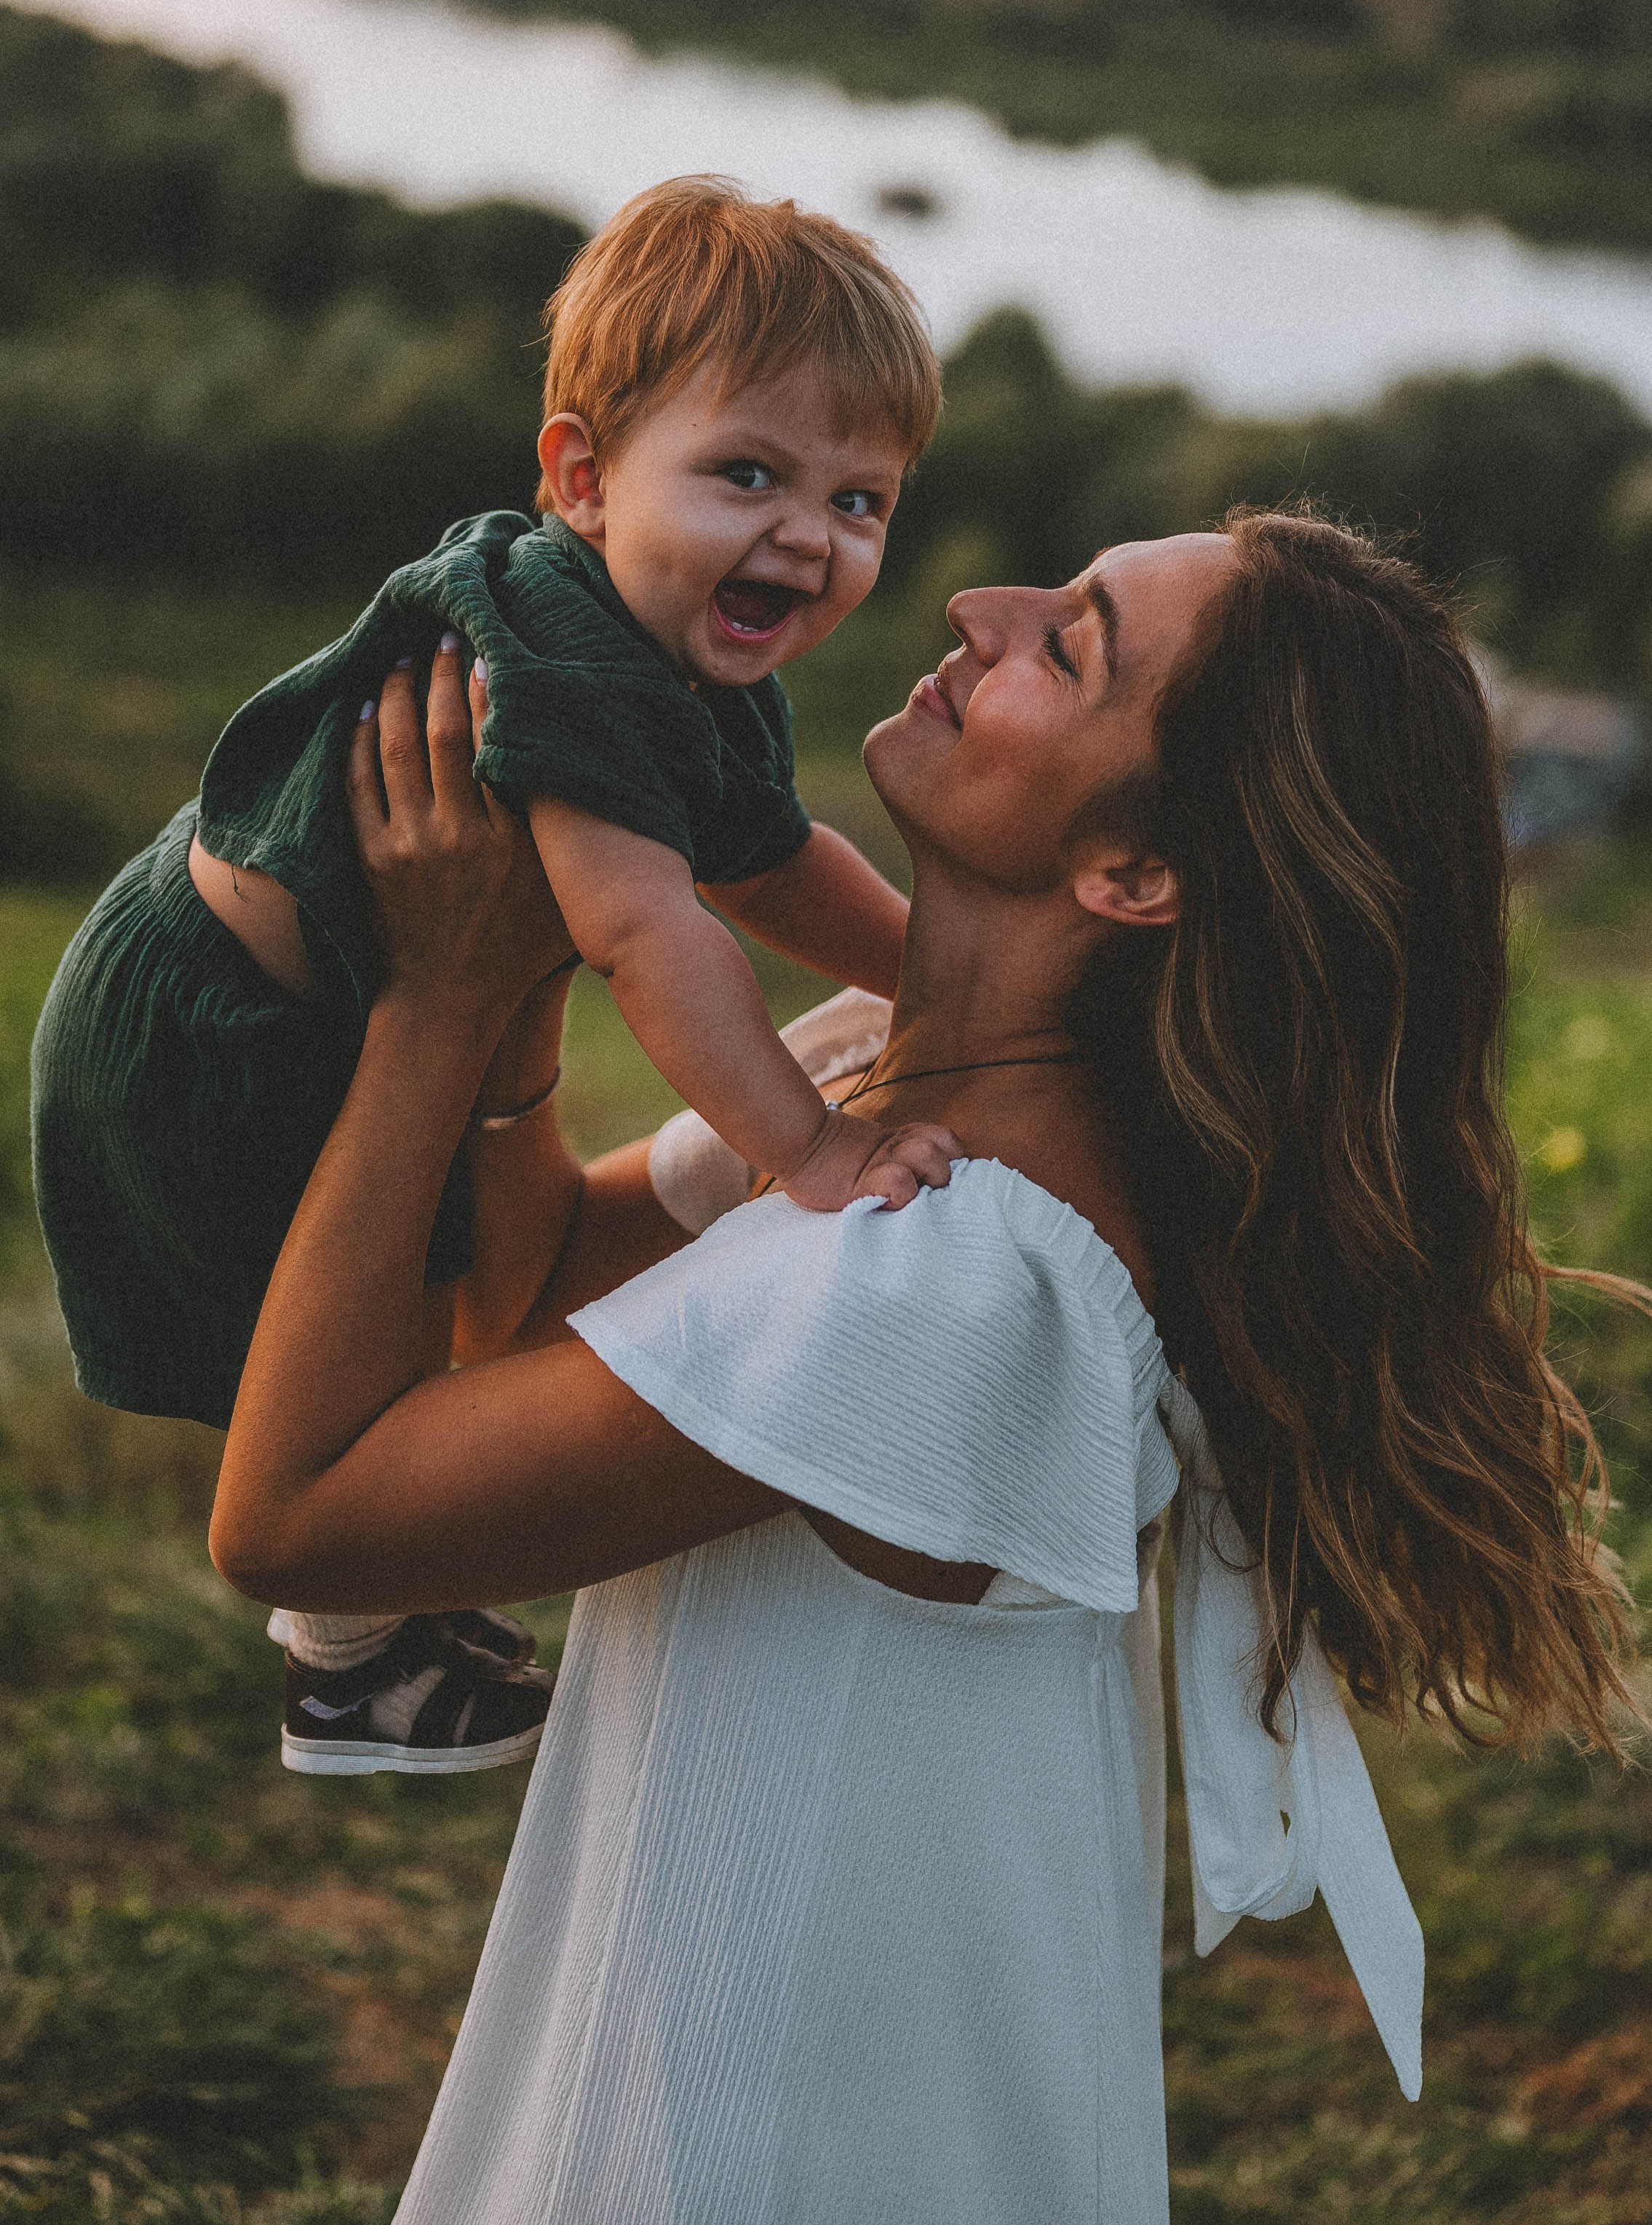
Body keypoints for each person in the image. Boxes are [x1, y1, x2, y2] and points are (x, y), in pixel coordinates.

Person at [210, 509, 1637, 2224]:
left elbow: (299, 1520)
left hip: (735, 2152)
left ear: (1135, 875)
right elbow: (529, 1310)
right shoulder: (871, 1102)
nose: (980, 605)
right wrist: (532, 949)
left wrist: (431, 1007)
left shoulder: (954, 1278)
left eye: (1072, 645)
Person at [31, 176, 959, 1775]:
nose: (806, 536)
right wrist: (810, 1151)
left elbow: (764, 858)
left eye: (859, 502)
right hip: (218, 1024)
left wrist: (944, 981)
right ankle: (352, 1663)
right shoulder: (571, 653)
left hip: (289, 985)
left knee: (463, 1258)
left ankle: (387, 1623)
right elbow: (647, 930)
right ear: (585, 478)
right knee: (371, 1326)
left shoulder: (689, 657)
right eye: (747, 474)